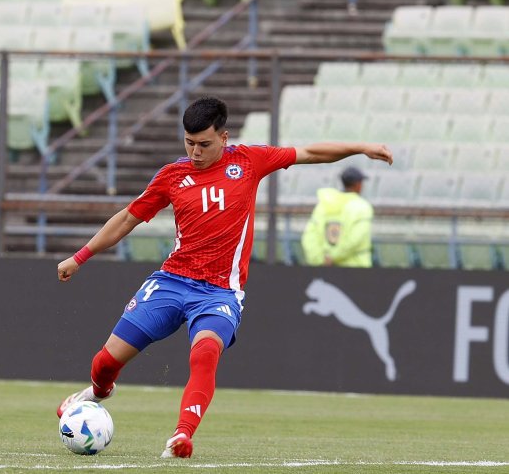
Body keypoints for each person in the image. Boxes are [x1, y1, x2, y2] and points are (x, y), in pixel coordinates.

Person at [54, 97, 393, 458]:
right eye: (189, 143)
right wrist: (80, 256)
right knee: (105, 363)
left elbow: (309, 152)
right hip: (171, 281)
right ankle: (100, 391)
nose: (196, 152)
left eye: (204, 144)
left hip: (218, 292)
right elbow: (126, 219)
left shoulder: (248, 161)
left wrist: (362, 148)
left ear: (224, 137)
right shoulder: (172, 176)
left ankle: (182, 435)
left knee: (205, 351)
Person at [301, 166, 373, 268]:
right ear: (358, 184)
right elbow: (355, 239)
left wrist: (320, 260)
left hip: (324, 269)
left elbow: (309, 236)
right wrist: (334, 257)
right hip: (356, 271)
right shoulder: (362, 207)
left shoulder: (324, 205)